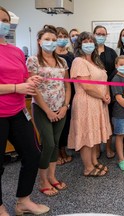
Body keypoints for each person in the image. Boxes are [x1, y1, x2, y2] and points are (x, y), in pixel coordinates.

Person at [0, 6, 50, 215]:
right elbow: (14, 85)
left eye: (4, 19)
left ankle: (23, 201)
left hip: (18, 111)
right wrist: (15, 88)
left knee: (32, 155)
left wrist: (29, 81)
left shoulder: (15, 51)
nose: (3, 23)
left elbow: (21, 79)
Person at [27, 25, 71, 196]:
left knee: (55, 144)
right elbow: (33, 88)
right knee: (48, 144)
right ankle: (43, 180)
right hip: (42, 109)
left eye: (53, 40)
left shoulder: (62, 61)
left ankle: (52, 177)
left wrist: (65, 106)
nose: (51, 43)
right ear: (39, 41)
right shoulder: (33, 60)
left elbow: (67, 85)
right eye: (47, 39)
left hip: (60, 108)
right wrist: (48, 111)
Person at [68, 31, 112, 176]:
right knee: (87, 135)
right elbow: (86, 86)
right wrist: (102, 96)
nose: (89, 44)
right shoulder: (79, 61)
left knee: (94, 134)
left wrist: (106, 94)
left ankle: (94, 162)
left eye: (91, 41)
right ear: (79, 44)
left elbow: (103, 81)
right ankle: (88, 167)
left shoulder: (96, 60)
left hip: (98, 101)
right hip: (86, 102)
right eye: (85, 41)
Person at [93, 25, 117, 159]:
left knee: (108, 121)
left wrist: (107, 86)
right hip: (93, 91)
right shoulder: (90, 52)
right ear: (94, 34)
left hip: (109, 91)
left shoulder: (111, 52)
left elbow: (115, 69)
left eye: (103, 34)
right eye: (98, 33)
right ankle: (97, 148)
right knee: (95, 121)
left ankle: (108, 147)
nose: (101, 36)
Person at [55, 27, 75, 165]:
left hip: (69, 93)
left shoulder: (71, 55)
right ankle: (55, 153)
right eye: (59, 36)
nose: (62, 38)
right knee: (55, 123)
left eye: (64, 36)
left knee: (66, 123)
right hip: (54, 95)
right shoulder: (51, 55)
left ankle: (63, 149)